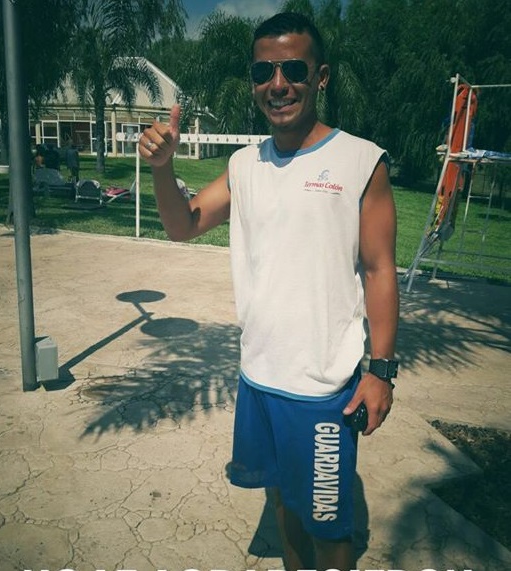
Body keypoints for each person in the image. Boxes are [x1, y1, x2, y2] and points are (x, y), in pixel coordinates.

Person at [140, 12, 399, 571]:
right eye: (263, 72)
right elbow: (183, 224)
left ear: (320, 76)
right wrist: (163, 167)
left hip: (324, 390)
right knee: (282, 504)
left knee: (329, 527)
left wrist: (381, 371)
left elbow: (380, 270)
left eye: (293, 70)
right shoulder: (244, 165)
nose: (278, 84)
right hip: (258, 378)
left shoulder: (361, 161)